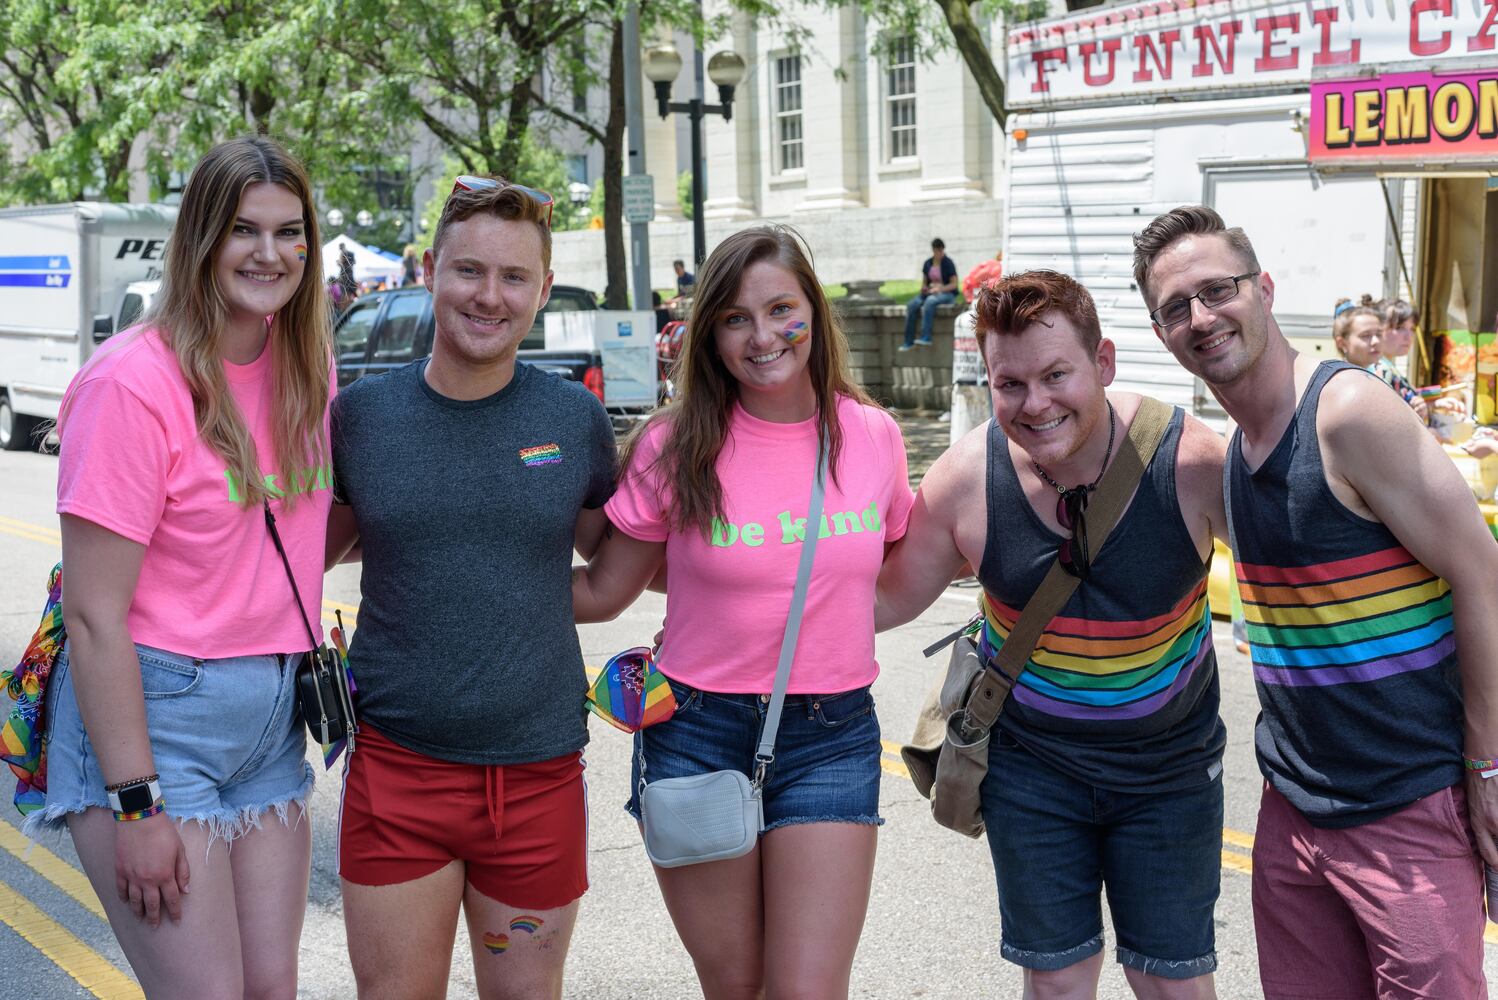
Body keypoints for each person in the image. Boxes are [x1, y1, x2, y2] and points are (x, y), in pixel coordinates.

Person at [1133, 204, 1498, 999]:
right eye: (1174, 308)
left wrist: (1488, 762)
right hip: (1293, 813)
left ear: (1262, 288)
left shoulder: (1348, 412)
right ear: (1160, 332)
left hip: (1409, 806)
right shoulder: (1232, 454)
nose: (1201, 317)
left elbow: (1483, 574)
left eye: (1217, 289)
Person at [571, 225, 915, 999]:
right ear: (711, 336)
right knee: (736, 986)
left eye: (780, 309)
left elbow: (892, 565)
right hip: (695, 729)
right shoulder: (676, 444)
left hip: (832, 734)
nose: (763, 336)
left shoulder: (872, 437)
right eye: (734, 318)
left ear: (813, 313)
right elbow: (604, 589)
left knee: (808, 990)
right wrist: (458, 581)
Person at [34, 135, 333, 997]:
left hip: (273, 719)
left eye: (290, 232)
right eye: (244, 229)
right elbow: (94, 616)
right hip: (156, 723)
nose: (269, 253)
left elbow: (296, 535)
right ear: (200, 238)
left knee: (272, 990)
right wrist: (137, 804)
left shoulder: (306, 371)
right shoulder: (131, 383)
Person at [876, 270, 1229, 999]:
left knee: (1170, 981)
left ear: (1102, 363)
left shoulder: (1190, 462)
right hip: (1033, 767)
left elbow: (1299, 585)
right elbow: (882, 600)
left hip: (1170, 767)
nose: (1034, 404)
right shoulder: (966, 479)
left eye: (1056, 375)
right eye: (1010, 385)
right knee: (1059, 981)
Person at [326, 175, 616, 1000]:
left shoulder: (572, 420)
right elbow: (299, 554)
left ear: (543, 290)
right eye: (469, 271)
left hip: (536, 776)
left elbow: (617, 564)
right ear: (429, 269)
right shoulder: (363, 417)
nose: (489, 296)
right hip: (397, 774)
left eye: (514, 277)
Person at [901, 237, 959, 349]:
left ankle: (926, 337)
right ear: (933, 250)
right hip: (930, 292)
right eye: (937, 251)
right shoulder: (928, 263)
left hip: (946, 294)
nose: (939, 253)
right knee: (912, 305)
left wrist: (940, 289)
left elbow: (954, 284)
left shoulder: (948, 263)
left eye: (941, 251)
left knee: (929, 302)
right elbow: (924, 283)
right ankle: (908, 342)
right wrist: (924, 288)